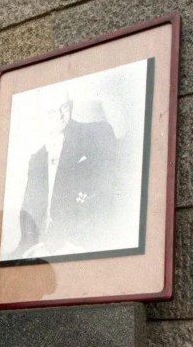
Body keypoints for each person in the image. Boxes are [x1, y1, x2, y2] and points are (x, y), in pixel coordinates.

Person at [11, 89, 117, 260]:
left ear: (71, 105)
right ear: (40, 116)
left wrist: (70, 245)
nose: (60, 116)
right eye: (51, 112)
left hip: (80, 245)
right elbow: (29, 213)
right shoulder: (37, 159)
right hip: (42, 250)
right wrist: (26, 251)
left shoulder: (96, 134)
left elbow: (105, 195)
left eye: (64, 107)